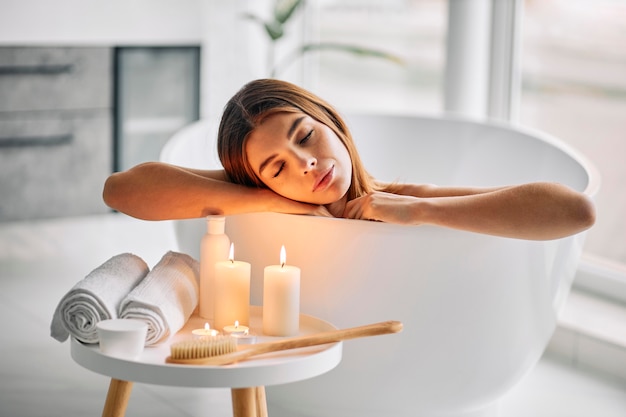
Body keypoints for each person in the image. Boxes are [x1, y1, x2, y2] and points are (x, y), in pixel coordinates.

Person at [103, 78, 595, 241]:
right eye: (277, 168)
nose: (305, 165)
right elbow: (121, 190)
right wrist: (270, 202)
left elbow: (575, 210)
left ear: (332, 122)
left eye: (305, 136)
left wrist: (419, 211)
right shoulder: (262, 197)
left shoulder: (399, 199)